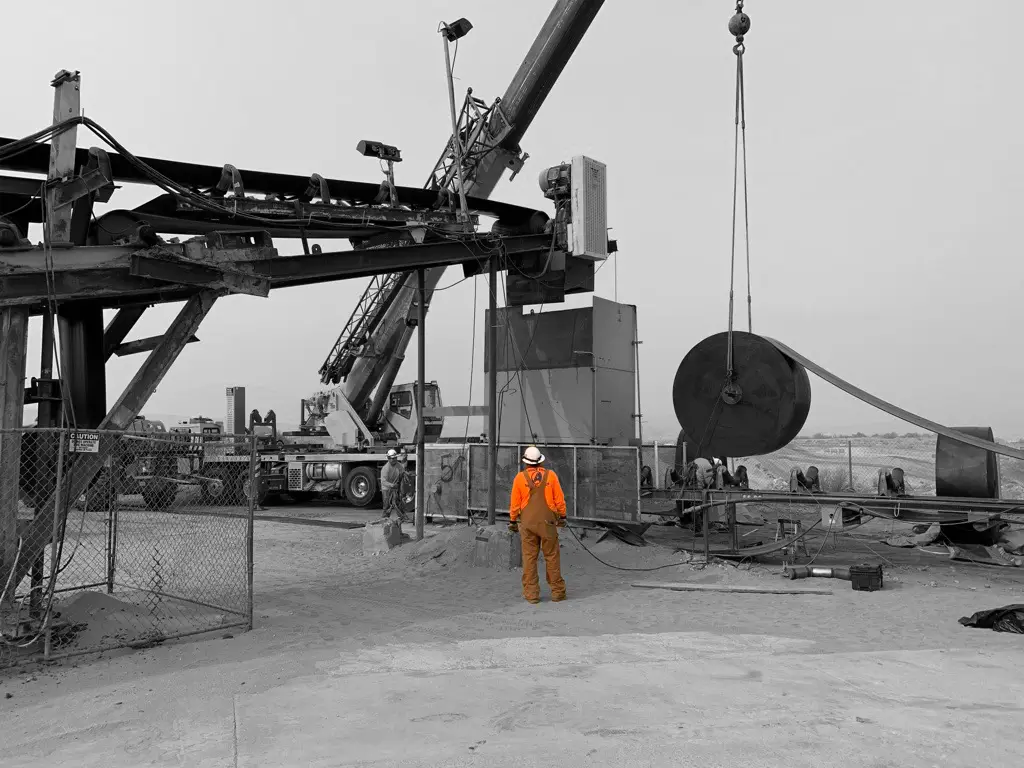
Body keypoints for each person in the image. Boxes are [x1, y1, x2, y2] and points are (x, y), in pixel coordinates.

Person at [508, 446, 567, 604]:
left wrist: (513, 521)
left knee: (529, 558)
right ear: (540, 461)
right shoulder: (551, 475)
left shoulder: (520, 478)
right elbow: (559, 500)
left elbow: (515, 503)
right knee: (552, 556)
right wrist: (562, 516)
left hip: (527, 523)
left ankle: (532, 594)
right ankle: (557, 592)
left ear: (526, 462)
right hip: (548, 523)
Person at [380, 449, 404, 520]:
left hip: (395, 486)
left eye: (395, 458)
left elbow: (403, 474)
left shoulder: (399, 466)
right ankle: (385, 517)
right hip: (387, 488)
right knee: (387, 503)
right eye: (392, 458)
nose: (394, 460)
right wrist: (392, 485)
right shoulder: (385, 468)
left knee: (398, 502)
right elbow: (383, 481)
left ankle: (401, 516)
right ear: (388, 458)